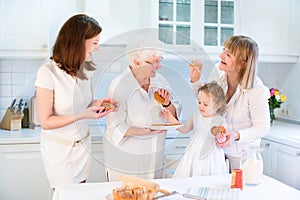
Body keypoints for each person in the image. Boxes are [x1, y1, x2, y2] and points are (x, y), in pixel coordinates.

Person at [34, 14, 118, 189]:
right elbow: (46, 122)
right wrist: (82, 115)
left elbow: (85, 104)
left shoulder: (84, 68)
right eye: (94, 43)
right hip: (60, 152)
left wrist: (98, 103)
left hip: (83, 147)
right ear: (79, 42)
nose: (97, 48)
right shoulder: (47, 73)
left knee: (80, 193)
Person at [190, 35, 270, 171]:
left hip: (242, 156)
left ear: (242, 63)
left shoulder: (256, 90)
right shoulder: (219, 72)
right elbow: (207, 102)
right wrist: (195, 80)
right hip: (218, 152)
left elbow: (262, 128)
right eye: (223, 50)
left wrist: (235, 135)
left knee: (240, 190)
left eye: (228, 54)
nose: (221, 55)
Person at [103, 39, 180, 181]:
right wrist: (146, 131)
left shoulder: (160, 81)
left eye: (160, 60)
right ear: (137, 62)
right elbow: (114, 128)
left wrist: (167, 103)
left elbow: (175, 115)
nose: (159, 66)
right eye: (155, 62)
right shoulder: (119, 86)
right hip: (127, 164)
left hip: (154, 161)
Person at [161, 82, 228, 177]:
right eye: (199, 102)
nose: (201, 106)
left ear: (217, 105)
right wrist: (171, 119)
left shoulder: (220, 120)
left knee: (209, 177)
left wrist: (220, 136)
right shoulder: (196, 116)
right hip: (193, 152)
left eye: (205, 104)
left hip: (211, 155)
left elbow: (222, 140)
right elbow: (184, 129)